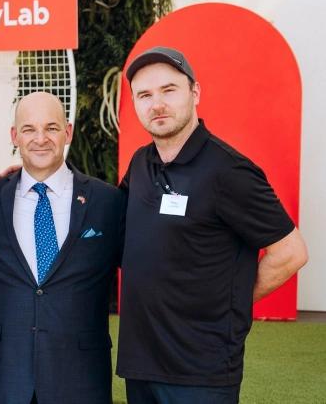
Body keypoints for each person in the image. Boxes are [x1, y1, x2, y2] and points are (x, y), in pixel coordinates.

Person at [117, 46, 308, 403]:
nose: (156, 104)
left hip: (200, 369)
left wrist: (228, 303)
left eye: (168, 90)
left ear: (195, 93)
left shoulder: (229, 171)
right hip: (141, 362)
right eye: (145, 95)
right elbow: (108, 215)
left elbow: (291, 252)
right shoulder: (141, 164)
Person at [0, 92, 124, 404]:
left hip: (81, 378)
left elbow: (146, 269)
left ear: (67, 132)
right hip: (4, 376)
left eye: (51, 128)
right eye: (29, 129)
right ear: (15, 136)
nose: (40, 139)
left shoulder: (108, 202)